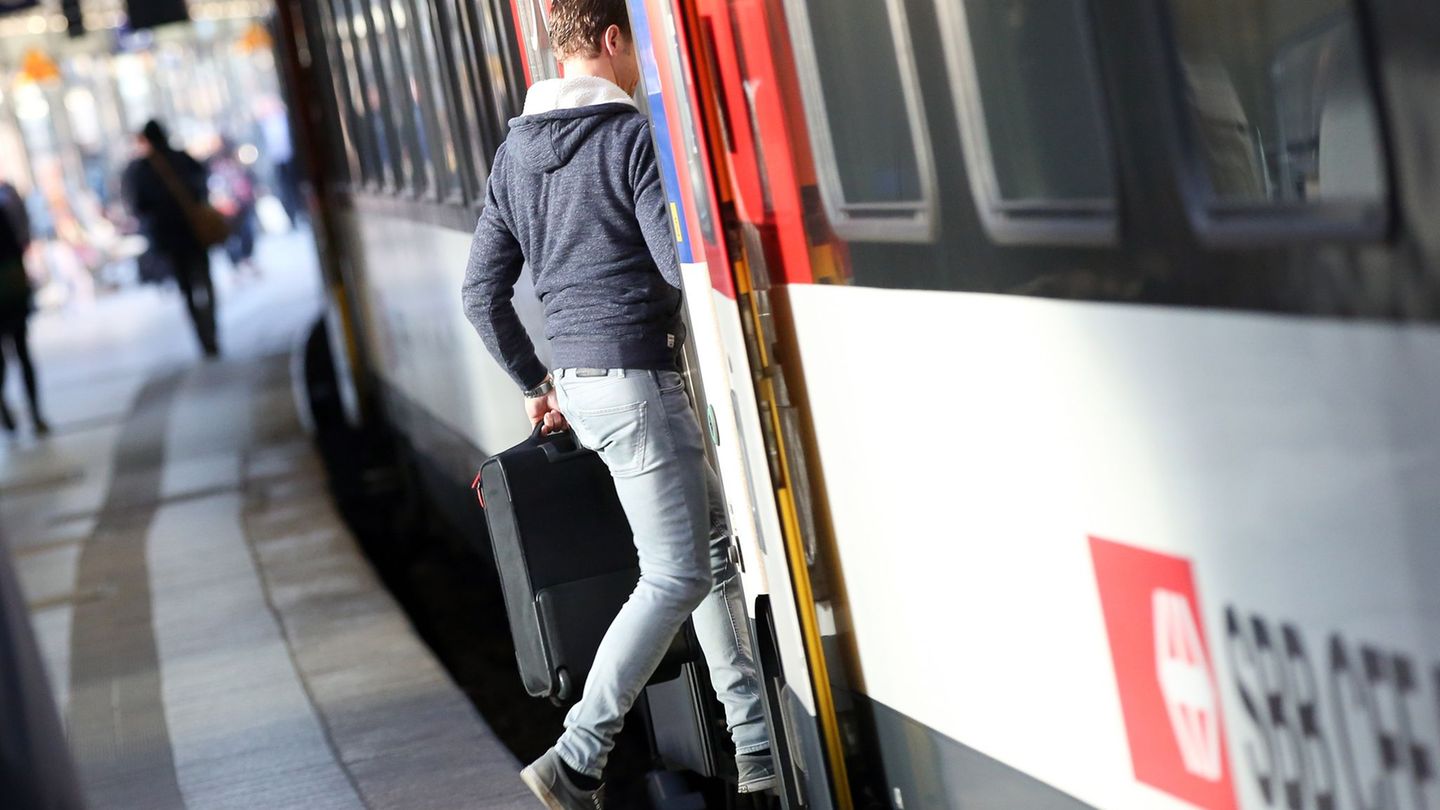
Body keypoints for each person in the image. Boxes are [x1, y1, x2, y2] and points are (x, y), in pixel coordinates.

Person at [461, 2, 773, 806]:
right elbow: (676, 270)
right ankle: (576, 756)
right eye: (633, 44)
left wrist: (537, 383)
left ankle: (758, 747)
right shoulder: (630, 137)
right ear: (610, 40)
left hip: (583, 389)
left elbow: (481, 295)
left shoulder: (514, 157)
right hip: (637, 381)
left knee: (706, 555)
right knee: (674, 574)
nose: (639, 63)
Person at [122, 120, 219, 357]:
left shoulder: (142, 170)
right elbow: (202, 183)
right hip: (192, 230)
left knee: (187, 287)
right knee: (204, 280)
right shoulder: (181, 158)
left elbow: (137, 205)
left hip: (170, 236)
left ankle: (203, 333)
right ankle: (210, 329)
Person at [0, 202, 48, 435]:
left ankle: (30, 412)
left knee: (16, 357)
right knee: (21, 355)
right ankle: (35, 414)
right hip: (12, 293)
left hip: (10, 295)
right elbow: (17, 248)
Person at [210, 139, 261, 277]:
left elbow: (250, 178)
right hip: (227, 207)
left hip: (242, 202)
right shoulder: (216, 168)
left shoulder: (239, 163)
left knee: (246, 232)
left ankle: (246, 259)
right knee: (232, 239)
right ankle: (237, 264)